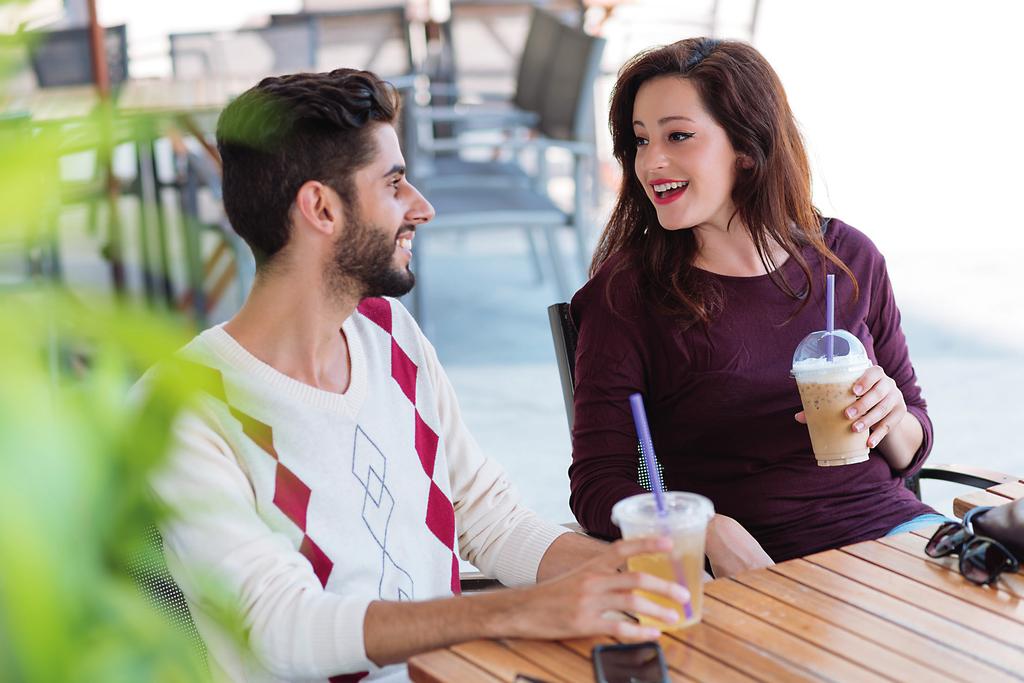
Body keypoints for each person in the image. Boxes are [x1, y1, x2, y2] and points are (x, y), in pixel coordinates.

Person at [145, 69, 764, 683]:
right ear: (321, 208)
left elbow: (489, 519)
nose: (423, 207)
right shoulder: (182, 407)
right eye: (393, 184)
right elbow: (280, 629)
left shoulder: (390, 337)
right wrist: (519, 612)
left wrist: (631, 576)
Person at [568, 38, 944, 564]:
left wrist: (893, 418)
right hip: (760, 569)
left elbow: (912, 446)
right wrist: (704, 530)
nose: (651, 161)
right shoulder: (628, 293)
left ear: (747, 149)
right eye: (640, 141)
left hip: (900, 534)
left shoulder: (848, 258)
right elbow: (596, 485)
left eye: (678, 136)